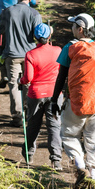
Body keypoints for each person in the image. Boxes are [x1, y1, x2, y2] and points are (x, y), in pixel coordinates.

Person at [52, 13, 95, 187]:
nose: (71, 28)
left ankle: (81, 168)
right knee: (93, 140)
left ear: (80, 29)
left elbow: (61, 76)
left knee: (69, 135)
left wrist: (53, 100)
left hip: (77, 100)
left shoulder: (71, 47)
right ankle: (93, 178)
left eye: (73, 25)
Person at [0, 0, 41, 127]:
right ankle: (28, 113)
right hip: (30, 54)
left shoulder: (8, 12)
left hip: (12, 53)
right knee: (28, 82)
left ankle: (17, 116)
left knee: (14, 84)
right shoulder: (35, 14)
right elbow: (39, 35)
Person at [21, 23, 62, 170]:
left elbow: (28, 78)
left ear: (35, 38)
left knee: (33, 125)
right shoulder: (58, 51)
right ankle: (56, 160)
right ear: (50, 36)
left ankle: (28, 154)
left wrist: (20, 81)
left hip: (36, 94)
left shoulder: (30, 54)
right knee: (54, 126)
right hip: (54, 93)